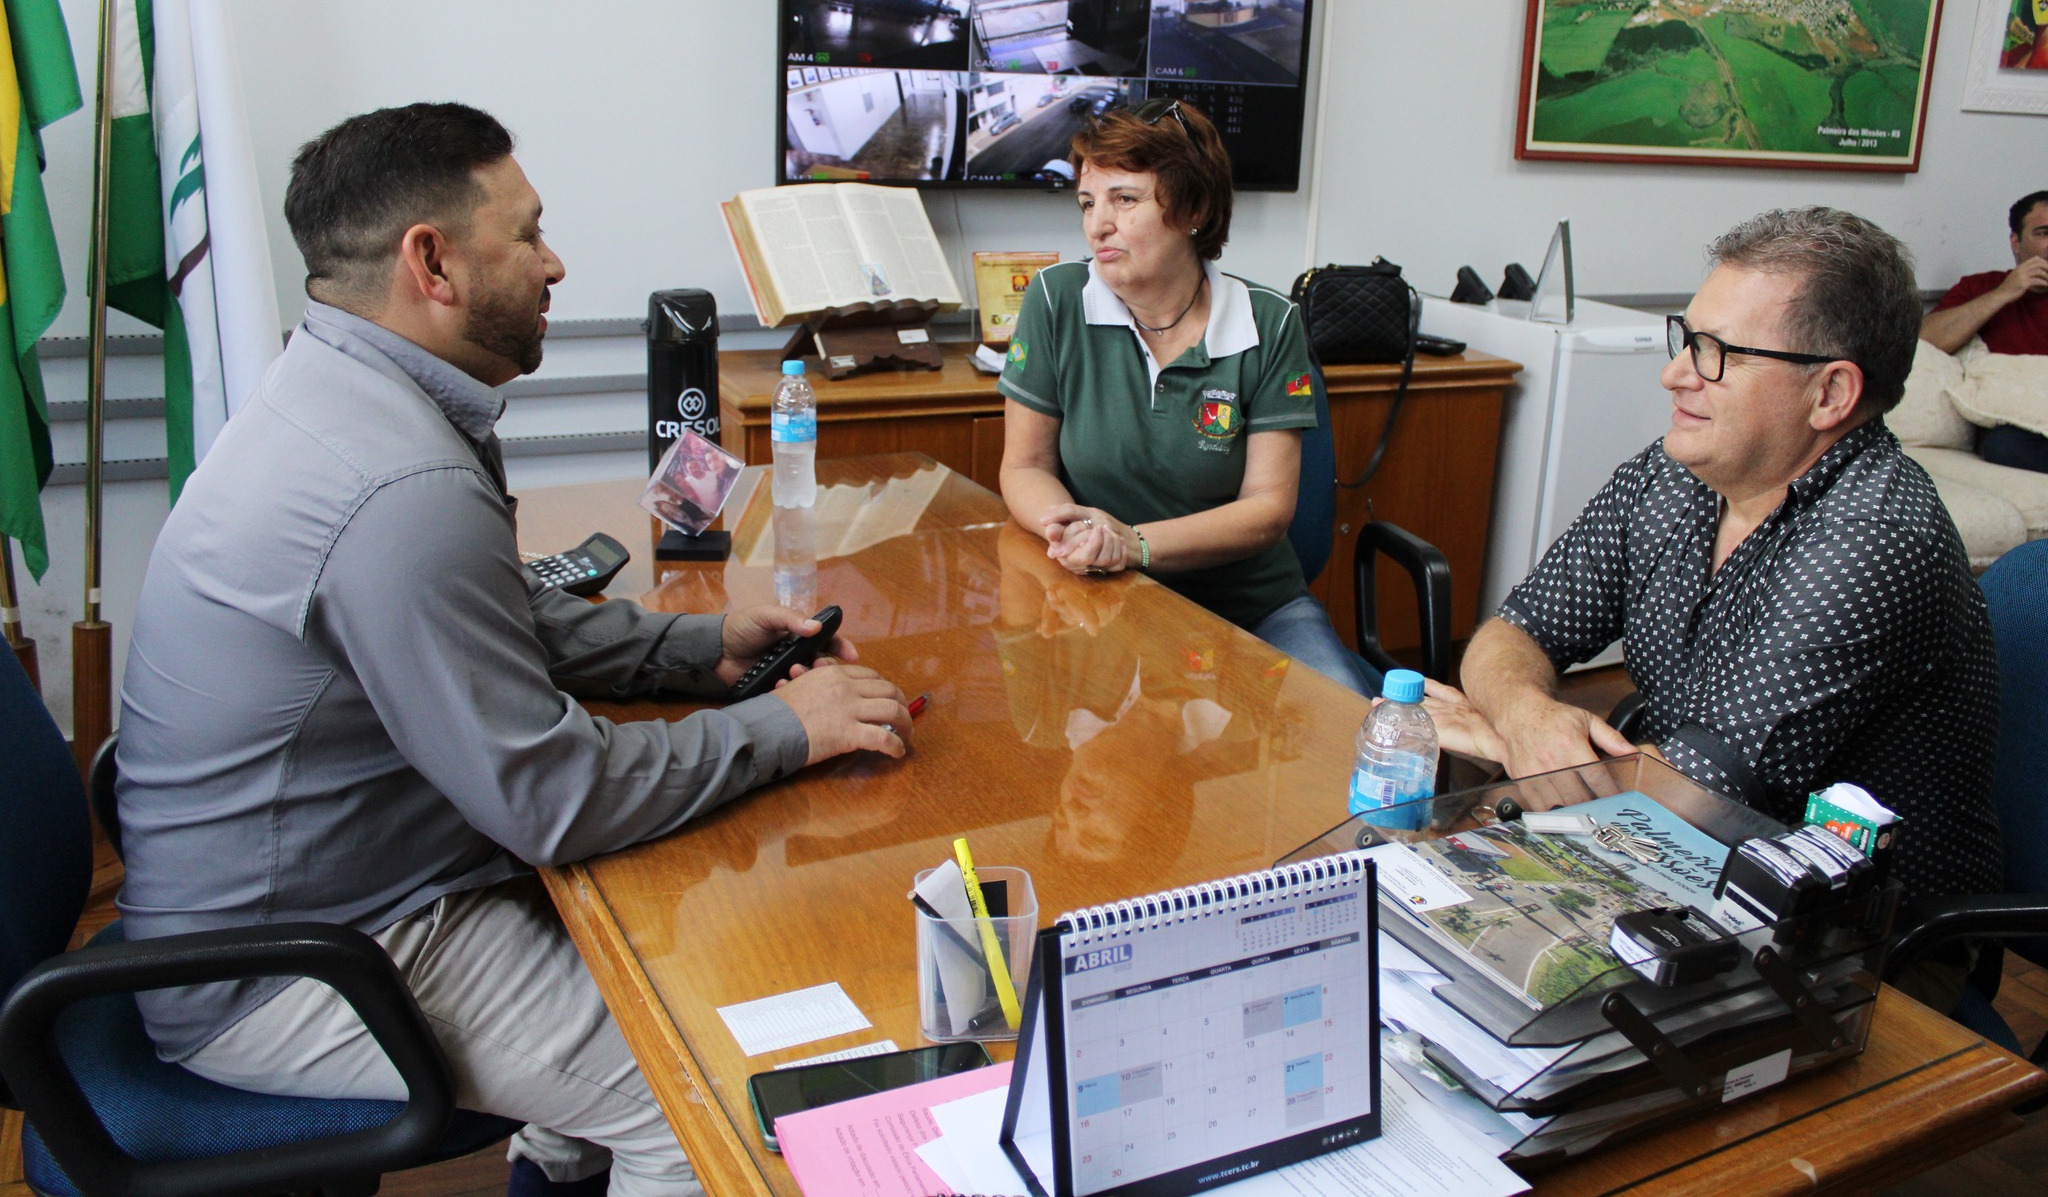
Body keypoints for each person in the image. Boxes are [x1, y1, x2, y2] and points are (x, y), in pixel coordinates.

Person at [114, 102, 913, 1197]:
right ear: (431, 261)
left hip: (331, 891)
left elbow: (491, 618)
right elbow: (552, 798)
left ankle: (560, 1158)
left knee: (667, 954)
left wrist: (693, 651)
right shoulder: (398, 482)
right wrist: (783, 726)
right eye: (528, 234)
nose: (555, 264)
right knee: (707, 1102)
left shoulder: (344, 394)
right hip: (294, 964)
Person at [1426, 208, 2000, 952]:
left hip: (1861, 945)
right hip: (1673, 861)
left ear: (1830, 394)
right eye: (1685, 338)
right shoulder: (1679, 472)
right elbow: (1517, 628)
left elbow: (1699, 794)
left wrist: (1504, 739)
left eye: (1715, 353)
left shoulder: (1873, 540)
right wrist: (1526, 714)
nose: (1675, 373)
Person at [996, 97, 1375, 698]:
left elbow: (1268, 510)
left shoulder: (1270, 323)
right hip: (1101, 597)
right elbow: (1024, 464)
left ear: (1193, 208)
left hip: (1252, 611)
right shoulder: (1055, 300)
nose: (1098, 224)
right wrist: (1069, 531)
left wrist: (1133, 543)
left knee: (1344, 754)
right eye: (1088, 203)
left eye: (1125, 199)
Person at [1918, 190, 2048, 472]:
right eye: (2043, 233)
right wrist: (2005, 293)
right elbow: (1924, 343)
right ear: (2016, 241)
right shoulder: (1981, 288)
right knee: (2004, 445)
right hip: (2014, 422)